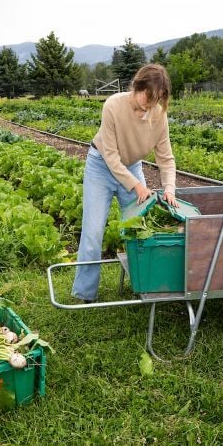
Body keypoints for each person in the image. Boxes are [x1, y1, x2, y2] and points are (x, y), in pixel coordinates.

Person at [72, 64, 178, 303]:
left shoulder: (159, 116)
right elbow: (110, 156)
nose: (149, 105)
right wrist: (137, 186)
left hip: (131, 167)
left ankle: (145, 283)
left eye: (156, 100)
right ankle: (86, 294)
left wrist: (169, 188)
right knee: (93, 231)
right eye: (147, 97)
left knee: (141, 227)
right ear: (136, 86)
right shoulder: (113, 106)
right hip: (101, 166)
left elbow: (166, 158)